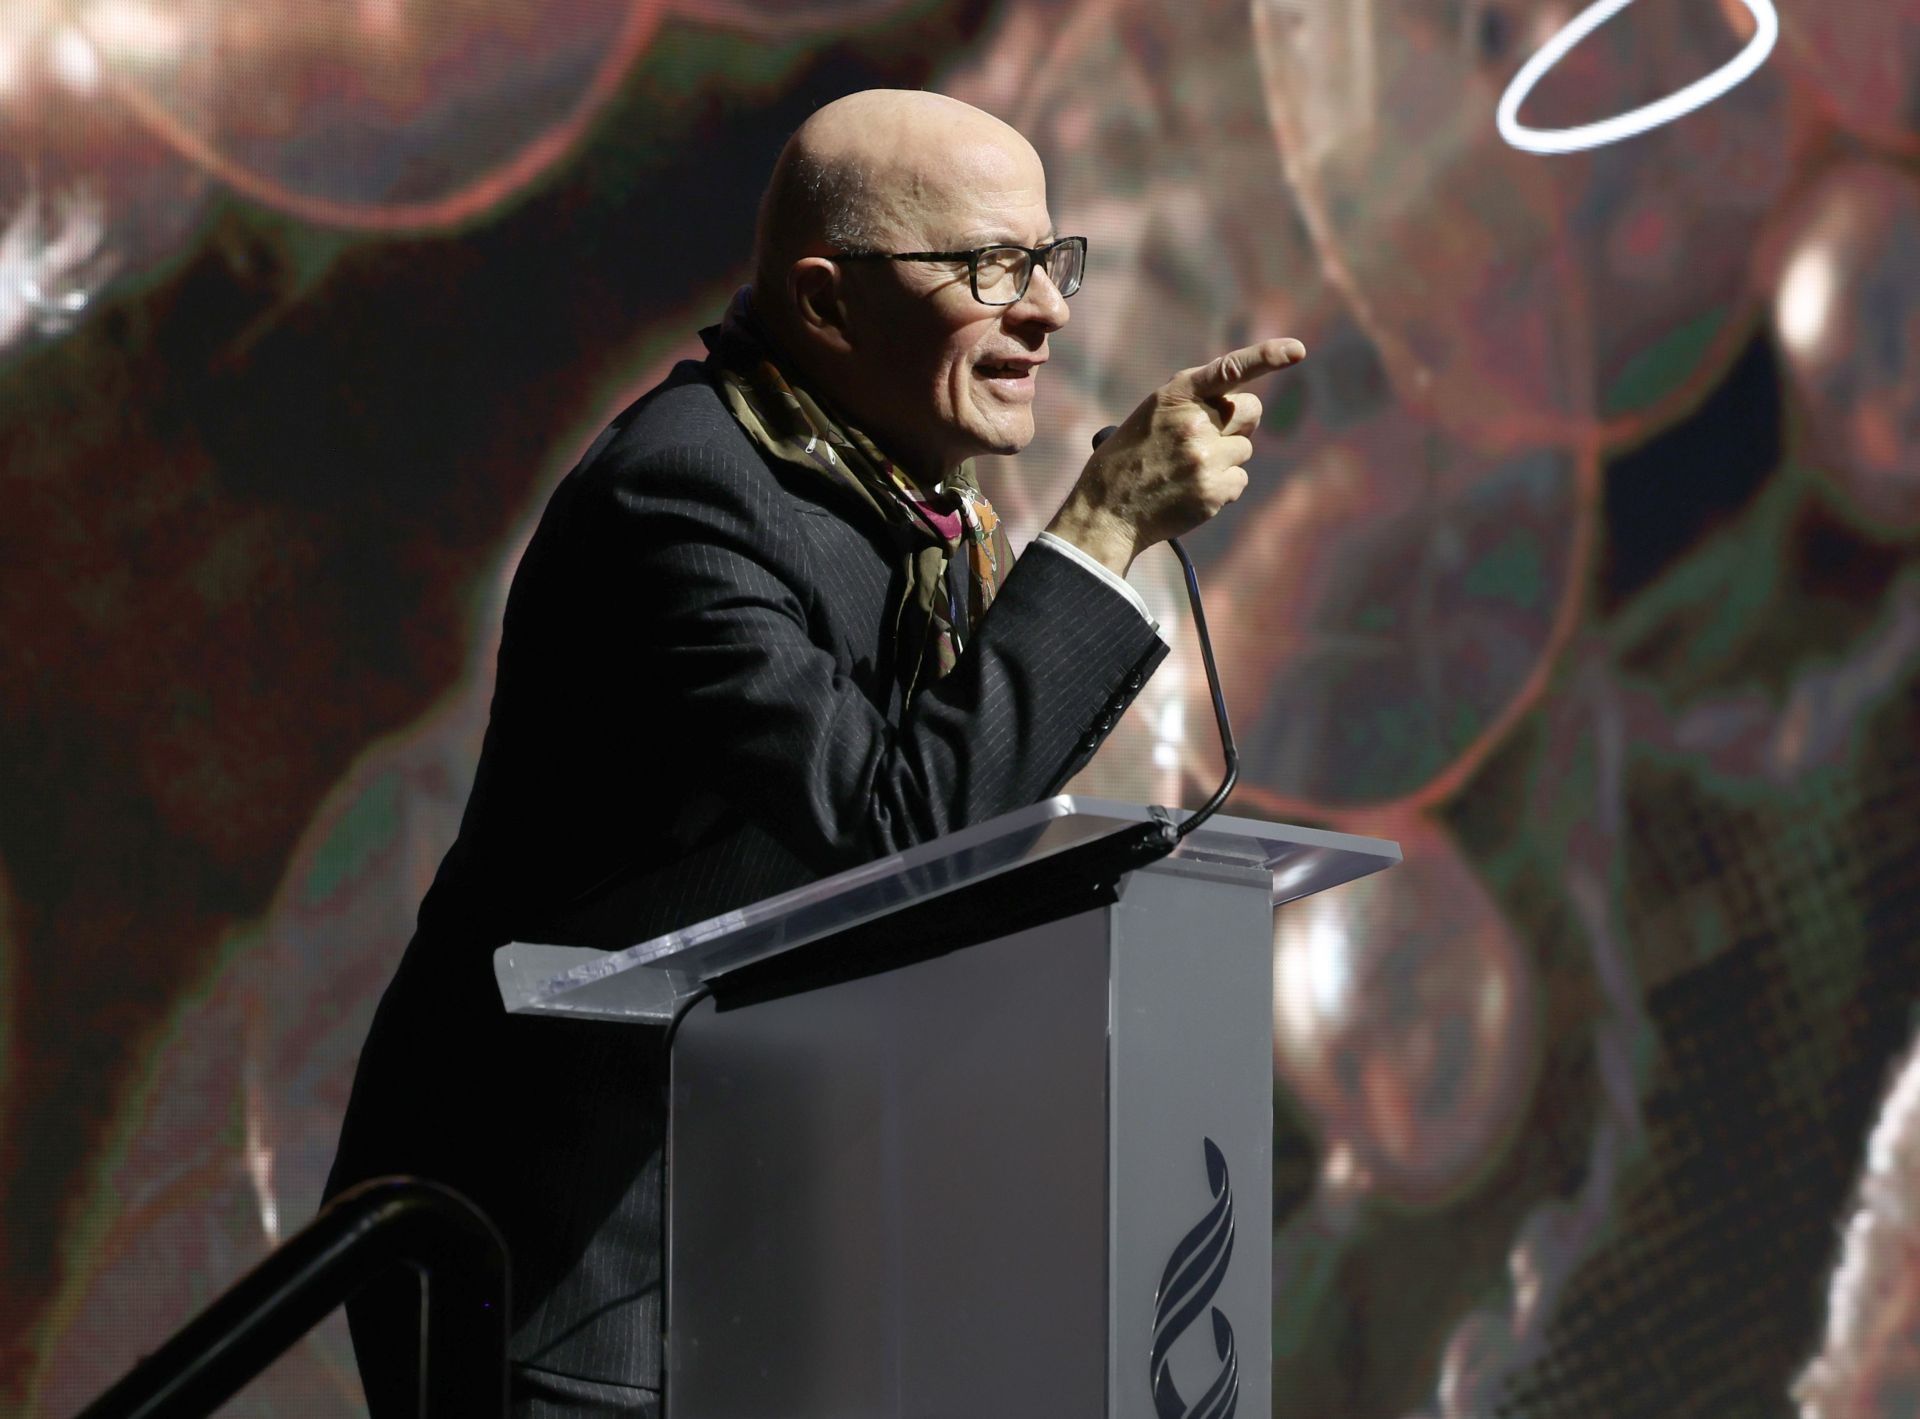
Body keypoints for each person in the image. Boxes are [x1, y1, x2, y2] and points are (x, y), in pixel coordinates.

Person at [324, 87, 1304, 1417]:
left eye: (1047, 259)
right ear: (828, 303)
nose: (1047, 309)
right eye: (987, 266)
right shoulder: (685, 496)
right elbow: (901, 824)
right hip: (576, 1251)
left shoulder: (903, 490)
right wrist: (1105, 528)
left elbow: (961, 836)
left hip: (777, 1236)